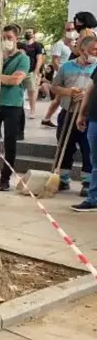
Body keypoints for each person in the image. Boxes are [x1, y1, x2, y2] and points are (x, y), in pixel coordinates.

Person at [51, 36, 97, 196]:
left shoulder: (96, 67)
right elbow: (55, 87)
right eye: (93, 50)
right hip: (67, 112)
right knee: (65, 146)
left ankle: (87, 182)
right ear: (83, 50)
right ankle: (62, 180)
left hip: (87, 116)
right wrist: (68, 92)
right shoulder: (67, 67)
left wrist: (86, 95)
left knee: (88, 149)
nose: (95, 53)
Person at [0, 24, 30, 191]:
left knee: (10, 143)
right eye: (3, 38)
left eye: (9, 38)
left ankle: (5, 178)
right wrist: (4, 77)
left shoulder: (23, 59)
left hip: (13, 105)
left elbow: (16, 80)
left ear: (16, 38)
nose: (6, 41)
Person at [42, 22, 79, 128]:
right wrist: (61, 73)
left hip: (73, 75)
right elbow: (54, 60)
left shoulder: (76, 44)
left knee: (58, 99)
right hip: (63, 76)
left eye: (72, 29)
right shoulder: (60, 44)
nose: (70, 31)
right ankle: (48, 118)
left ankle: (46, 118)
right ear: (64, 31)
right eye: (68, 29)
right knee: (59, 98)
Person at [74, 37, 97, 211]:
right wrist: (82, 114)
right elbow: (90, 89)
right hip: (94, 118)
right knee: (95, 160)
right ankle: (93, 198)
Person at [23, 29, 45, 119]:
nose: (28, 34)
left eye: (30, 32)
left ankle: (32, 111)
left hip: (32, 71)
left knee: (32, 91)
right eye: (26, 32)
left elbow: (40, 59)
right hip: (23, 71)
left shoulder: (37, 45)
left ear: (33, 34)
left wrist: (36, 72)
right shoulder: (22, 45)